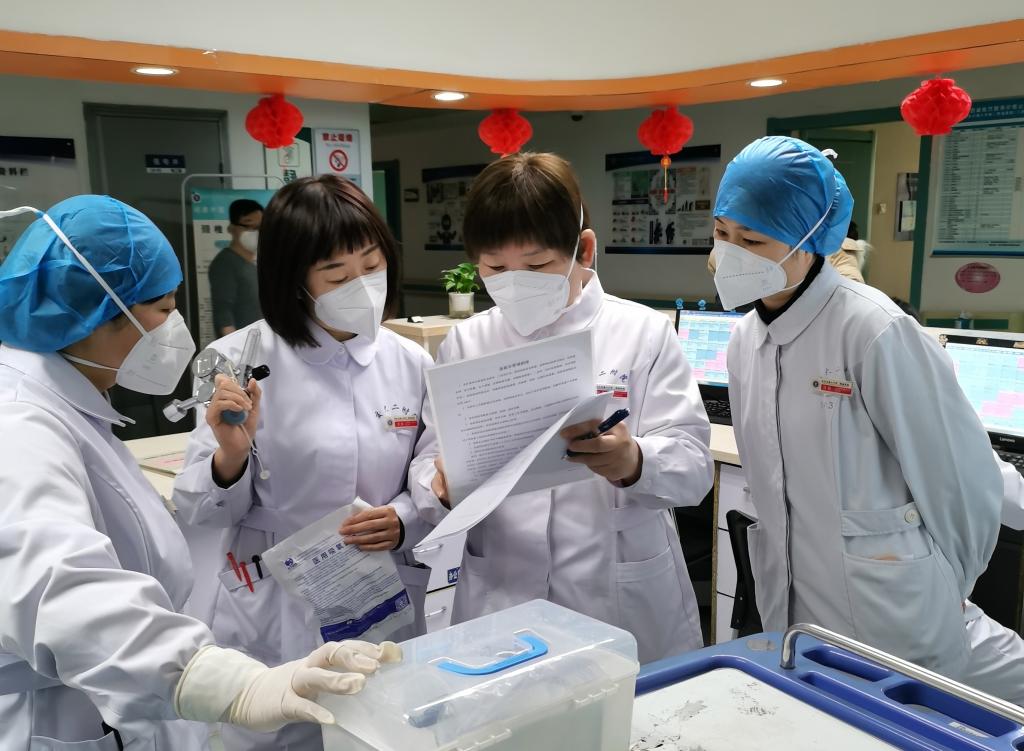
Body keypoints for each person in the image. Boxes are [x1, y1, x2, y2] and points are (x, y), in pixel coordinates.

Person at [0, 196, 398, 750]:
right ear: (95, 313)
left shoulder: (72, 404)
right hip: (70, 707)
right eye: (164, 308)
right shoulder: (19, 423)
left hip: (359, 593)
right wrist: (223, 683)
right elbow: (58, 590)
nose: (175, 327)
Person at [713, 135, 1023, 703]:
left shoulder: (874, 330)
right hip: (795, 611)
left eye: (752, 240)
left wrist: (942, 583)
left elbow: (964, 484)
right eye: (721, 233)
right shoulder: (744, 340)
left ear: (812, 240)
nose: (729, 255)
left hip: (895, 611)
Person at [408, 153, 714, 664]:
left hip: (613, 589)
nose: (514, 281)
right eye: (495, 268)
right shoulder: (466, 342)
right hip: (501, 588)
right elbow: (427, 461)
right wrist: (437, 487)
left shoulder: (641, 333)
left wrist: (633, 460)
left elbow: (694, 466)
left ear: (584, 250)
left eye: (536, 266)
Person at [174, 175, 433, 750]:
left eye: (372, 266)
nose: (361, 286)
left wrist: (404, 517)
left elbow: (433, 468)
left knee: (376, 730)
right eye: (337, 276)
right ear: (295, 280)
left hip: (379, 585)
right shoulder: (236, 358)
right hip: (275, 597)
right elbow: (199, 506)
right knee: (277, 731)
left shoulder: (410, 361)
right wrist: (230, 456)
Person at [707, 212, 866, 283]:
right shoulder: (722, 256)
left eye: (751, 241)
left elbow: (847, 297)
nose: (732, 249)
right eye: (721, 232)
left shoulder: (839, 257)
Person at [209, 199, 263, 337]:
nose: (255, 232)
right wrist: (234, 348)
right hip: (242, 345)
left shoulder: (256, 264)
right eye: (249, 226)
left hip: (261, 342)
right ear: (232, 228)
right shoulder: (225, 263)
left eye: (260, 227)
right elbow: (223, 314)